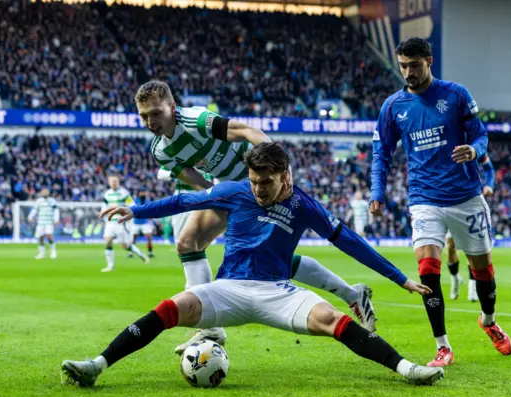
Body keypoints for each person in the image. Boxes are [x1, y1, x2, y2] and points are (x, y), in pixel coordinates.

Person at [61, 142, 443, 387]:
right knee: (169, 308)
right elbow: (182, 202)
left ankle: (408, 369)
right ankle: (96, 366)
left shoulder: (304, 205)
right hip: (227, 290)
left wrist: (398, 277)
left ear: (285, 176)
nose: (259, 189)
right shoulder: (235, 191)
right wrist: (137, 210)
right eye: (255, 181)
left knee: (332, 320)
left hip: (279, 292)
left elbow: (350, 242)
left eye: (267, 182)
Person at [136, 80, 376, 353]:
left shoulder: (195, 120)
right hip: (232, 189)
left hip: (260, 183)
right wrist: (215, 194)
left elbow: (249, 131)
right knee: (187, 243)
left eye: (156, 113)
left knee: (265, 256)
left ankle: (351, 294)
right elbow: (188, 175)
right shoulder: (159, 150)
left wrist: (281, 173)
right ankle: (210, 328)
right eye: (144, 115)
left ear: (172, 107)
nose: (150, 121)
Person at [370, 37, 511, 367]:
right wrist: (377, 191)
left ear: (429, 61)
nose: (408, 72)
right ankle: (442, 346)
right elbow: (381, 153)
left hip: (466, 197)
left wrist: (475, 149)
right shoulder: (393, 107)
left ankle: (488, 321)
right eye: (403, 65)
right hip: (423, 198)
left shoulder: (456, 94)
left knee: (483, 272)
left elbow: (481, 134)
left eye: (414, 65)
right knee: (427, 269)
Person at [446, 154, 495, 301]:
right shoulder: (443, 144)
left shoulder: (474, 146)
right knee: (450, 246)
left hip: (470, 201)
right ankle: (455, 280)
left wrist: (489, 185)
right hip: (447, 201)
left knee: (472, 247)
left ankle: (472, 287)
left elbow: (489, 169)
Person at [102, 176, 149, 272]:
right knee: (108, 241)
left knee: (124, 246)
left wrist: (125, 213)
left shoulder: (124, 193)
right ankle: (110, 266)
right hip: (111, 222)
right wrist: (103, 215)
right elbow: (104, 206)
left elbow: (132, 205)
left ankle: (140, 254)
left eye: (115, 181)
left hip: (121, 222)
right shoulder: (107, 194)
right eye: (111, 181)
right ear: (109, 182)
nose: (113, 183)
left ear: (118, 182)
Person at [28, 188, 59, 259]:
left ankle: (53, 251)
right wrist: (30, 216)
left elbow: (56, 210)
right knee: (41, 237)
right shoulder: (39, 201)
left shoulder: (52, 201)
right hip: (41, 222)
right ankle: (42, 253)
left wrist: (56, 219)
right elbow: (35, 209)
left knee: (49, 235)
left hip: (49, 222)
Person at [131, 192, 155, 258]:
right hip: (136, 222)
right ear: (139, 194)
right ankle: (131, 252)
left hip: (145, 222)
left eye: (144, 193)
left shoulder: (147, 201)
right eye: (141, 193)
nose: (143, 194)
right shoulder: (135, 200)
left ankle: (150, 252)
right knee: (133, 238)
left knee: (149, 237)